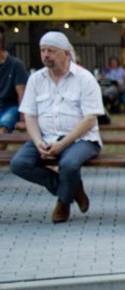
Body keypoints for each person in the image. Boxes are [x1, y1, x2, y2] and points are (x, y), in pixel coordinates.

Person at [9, 32, 103, 223]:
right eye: (43, 50)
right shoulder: (36, 79)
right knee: (19, 164)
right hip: (45, 137)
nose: (45, 55)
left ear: (66, 53)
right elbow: (30, 115)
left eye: (51, 51)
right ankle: (71, 188)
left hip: (81, 139)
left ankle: (63, 203)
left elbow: (90, 120)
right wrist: (37, 142)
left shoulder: (84, 78)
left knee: (68, 164)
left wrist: (62, 145)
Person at [0, 25, 29, 133]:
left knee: (3, 129)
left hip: (9, 107)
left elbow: (22, 93)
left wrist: (23, 119)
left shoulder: (15, 65)